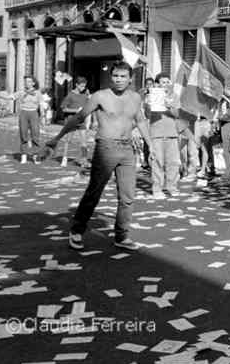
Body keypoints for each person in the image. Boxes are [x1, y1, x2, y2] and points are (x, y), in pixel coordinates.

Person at [42, 61, 151, 251]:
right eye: (115, 76)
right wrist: (57, 138)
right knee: (94, 192)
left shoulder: (135, 98)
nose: (118, 79)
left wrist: (152, 147)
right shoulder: (100, 96)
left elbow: (140, 121)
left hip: (127, 150)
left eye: (123, 76)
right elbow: (79, 117)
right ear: (111, 77)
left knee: (127, 197)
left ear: (130, 79)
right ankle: (77, 230)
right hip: (106, 148)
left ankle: (121, 235)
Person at [146, 72, 181, 199]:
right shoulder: (151, 96)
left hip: (172, 133)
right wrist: (148, 103)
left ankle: (172, 187)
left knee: (173, 163)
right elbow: (147, 114)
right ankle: (157, 189)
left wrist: (169, 105)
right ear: (157, 84)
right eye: (163, 82)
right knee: (157, 162)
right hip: (156, 134)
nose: (165, 84)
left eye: (167, 82)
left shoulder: (174, 96)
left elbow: (177, 114)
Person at [9, 76, 43, 164]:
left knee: (35, 134)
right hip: (23, 113)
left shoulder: (38, 93)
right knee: (23, 134)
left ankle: (35, 155)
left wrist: (42, 116)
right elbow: (11, 97)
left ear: (33, 83)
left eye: (28, 81)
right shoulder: (21, 92)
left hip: (34, 113)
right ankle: (23, 155)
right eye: (25, 81)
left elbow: (41, 105)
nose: (26, 83)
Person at [60, 77, 91, 168]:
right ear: (76, 85)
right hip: (71, 120)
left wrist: (89, 98)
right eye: (81, 86)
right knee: (68, 140)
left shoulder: (85, 95)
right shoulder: (70, 95)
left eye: (84, 86)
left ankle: (84, 160)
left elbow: (88, 106)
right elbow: (63, 109)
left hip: (81, 121)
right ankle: (64, 158)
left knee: (84, 141)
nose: (83, 88)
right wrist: (75, 110)